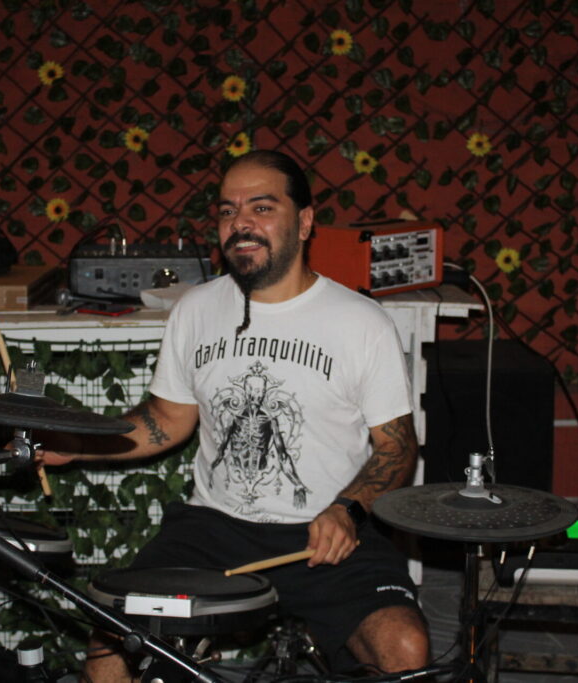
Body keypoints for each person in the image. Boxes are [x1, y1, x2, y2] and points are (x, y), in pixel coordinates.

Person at [40, 150, 430, 680]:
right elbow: (168, 419)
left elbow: (397, 447)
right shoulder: (196, 309)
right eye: (228, 211)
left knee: (404, 647)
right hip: (214, 529)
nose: (240, 223)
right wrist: (79, 444)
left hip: (330, 529)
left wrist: (347, 510)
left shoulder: (362, 323)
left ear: (305, 222)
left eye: (261, 208)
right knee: (109, 647)